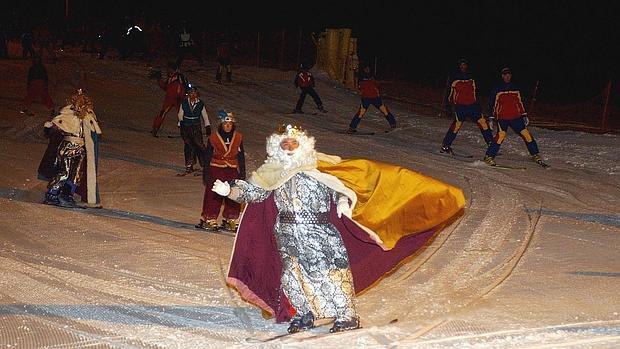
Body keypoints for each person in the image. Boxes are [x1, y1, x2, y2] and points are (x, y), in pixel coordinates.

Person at [214, 124, 466, 334]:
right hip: (287, 231)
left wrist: (345, 204)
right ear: (276, 146)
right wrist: (231, 191)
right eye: (284, 143)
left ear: (302, 144)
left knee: (331, 274)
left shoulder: (319, 167)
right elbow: (255, 192)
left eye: (293, 143)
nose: (289, 147)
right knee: (292, 276)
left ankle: (347, 315)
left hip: (319, 230)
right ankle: (306, 313)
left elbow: (341, 188)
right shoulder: (271, 172)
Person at [38, 90, 102, 208]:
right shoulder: (67, 113)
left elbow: (94, 130)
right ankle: (52, 193)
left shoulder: (88, 115)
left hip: (81, 148)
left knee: (77, 173)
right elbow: (56, 124)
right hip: (68, 146)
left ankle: (67, 194)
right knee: (64, 171)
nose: (80, 104)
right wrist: (50, 127)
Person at [484, 68, 548, 167]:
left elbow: (519, 102)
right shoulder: (497, 88)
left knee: (527, 134)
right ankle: (488, 156)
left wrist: (524, 114)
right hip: (502, 118)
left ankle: (535, 154)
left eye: (509, 74)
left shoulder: (515, 87)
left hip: (516, 117)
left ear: (511, 75)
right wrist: (491, 118)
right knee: (500, 136)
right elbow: (491, 103)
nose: (507, 76)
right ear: (502, 76)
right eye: (505, 75)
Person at [196, 110, 246, 231]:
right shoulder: (214, 138)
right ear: (221, 124)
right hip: (216, 169)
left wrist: (242, 172)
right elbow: (207, 156)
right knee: (213, 194)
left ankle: (231, 217)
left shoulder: (238, 138)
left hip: (232, 169)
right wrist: (206, 172)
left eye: (230, 124)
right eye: (225, 124)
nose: (227, 126)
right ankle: (208, 217)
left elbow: (240, 156)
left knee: (233, 193)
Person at [440, 59, 493, 154]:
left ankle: (491, 144)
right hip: (460, 106)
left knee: (483, 122)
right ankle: (446, 145)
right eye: (461, 65)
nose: (462, 67)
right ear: (458, 66)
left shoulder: (471, 77)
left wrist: (478, 103)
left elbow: (475, 92)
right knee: (456, 125)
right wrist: (448, 105)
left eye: (464, 65)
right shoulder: (454, 78)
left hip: (473, 105)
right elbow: (449, 92)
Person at [346, 65, 398, 133]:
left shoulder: (372, 76)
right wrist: (355, 71)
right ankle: (352, 127)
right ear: (363, 69)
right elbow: (358, 81)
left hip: (376, 98)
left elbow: (377, 84)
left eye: (368, 68)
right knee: (360, 113)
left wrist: (376, 84)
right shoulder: (361, 76)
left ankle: (393, 124)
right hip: (366, 98)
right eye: (366, 68)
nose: (367, 70)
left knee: (385, 110)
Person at [177, 85, 210, 175]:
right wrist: (181, 122)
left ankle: (205, 164)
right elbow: (180, 114)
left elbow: (205, 116)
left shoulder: (200, 104)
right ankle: (189, 165)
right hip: (187, 126)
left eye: (194, 93)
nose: (192, 95)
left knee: (199, 145)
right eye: (191, 93)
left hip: (196, 126)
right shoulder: (184, 103)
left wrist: (207, 126)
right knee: (188, 145)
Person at [151, 64, 186, 137]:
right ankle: (155, 128)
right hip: (170, 99)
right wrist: (159, 79)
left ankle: (186, 131)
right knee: (162, 113)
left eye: (170, 70)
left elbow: (184, 86)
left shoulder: (179, 77)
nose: (168, 71)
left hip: (178, 99)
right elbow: (166, 87)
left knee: (182, 115)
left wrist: (182, 96)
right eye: (168, 70)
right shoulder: (170, 78)